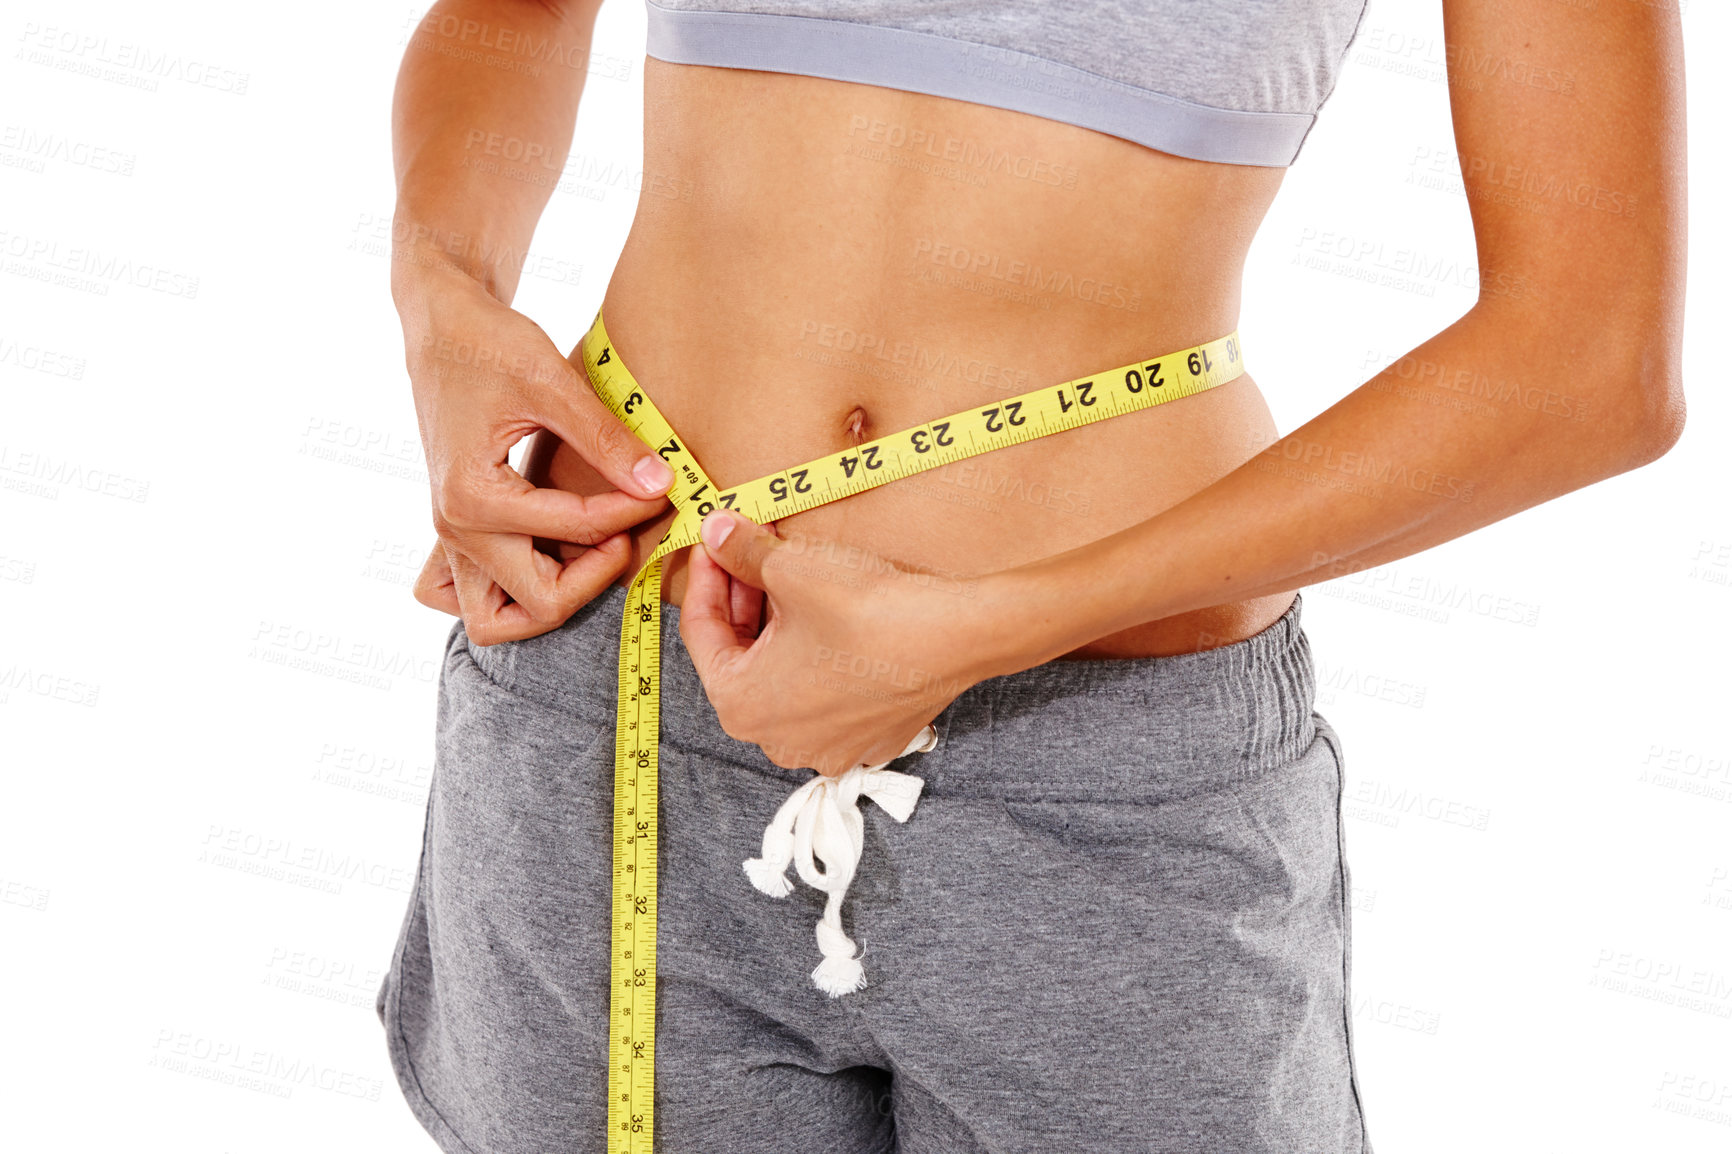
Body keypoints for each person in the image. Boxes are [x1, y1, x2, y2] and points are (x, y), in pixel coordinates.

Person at [375, 0, 1686, 1151]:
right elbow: (513, 11)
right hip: (625, 664)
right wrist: (445, 305)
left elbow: (1591, 359)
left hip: (1100, 765)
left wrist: (995, 624)